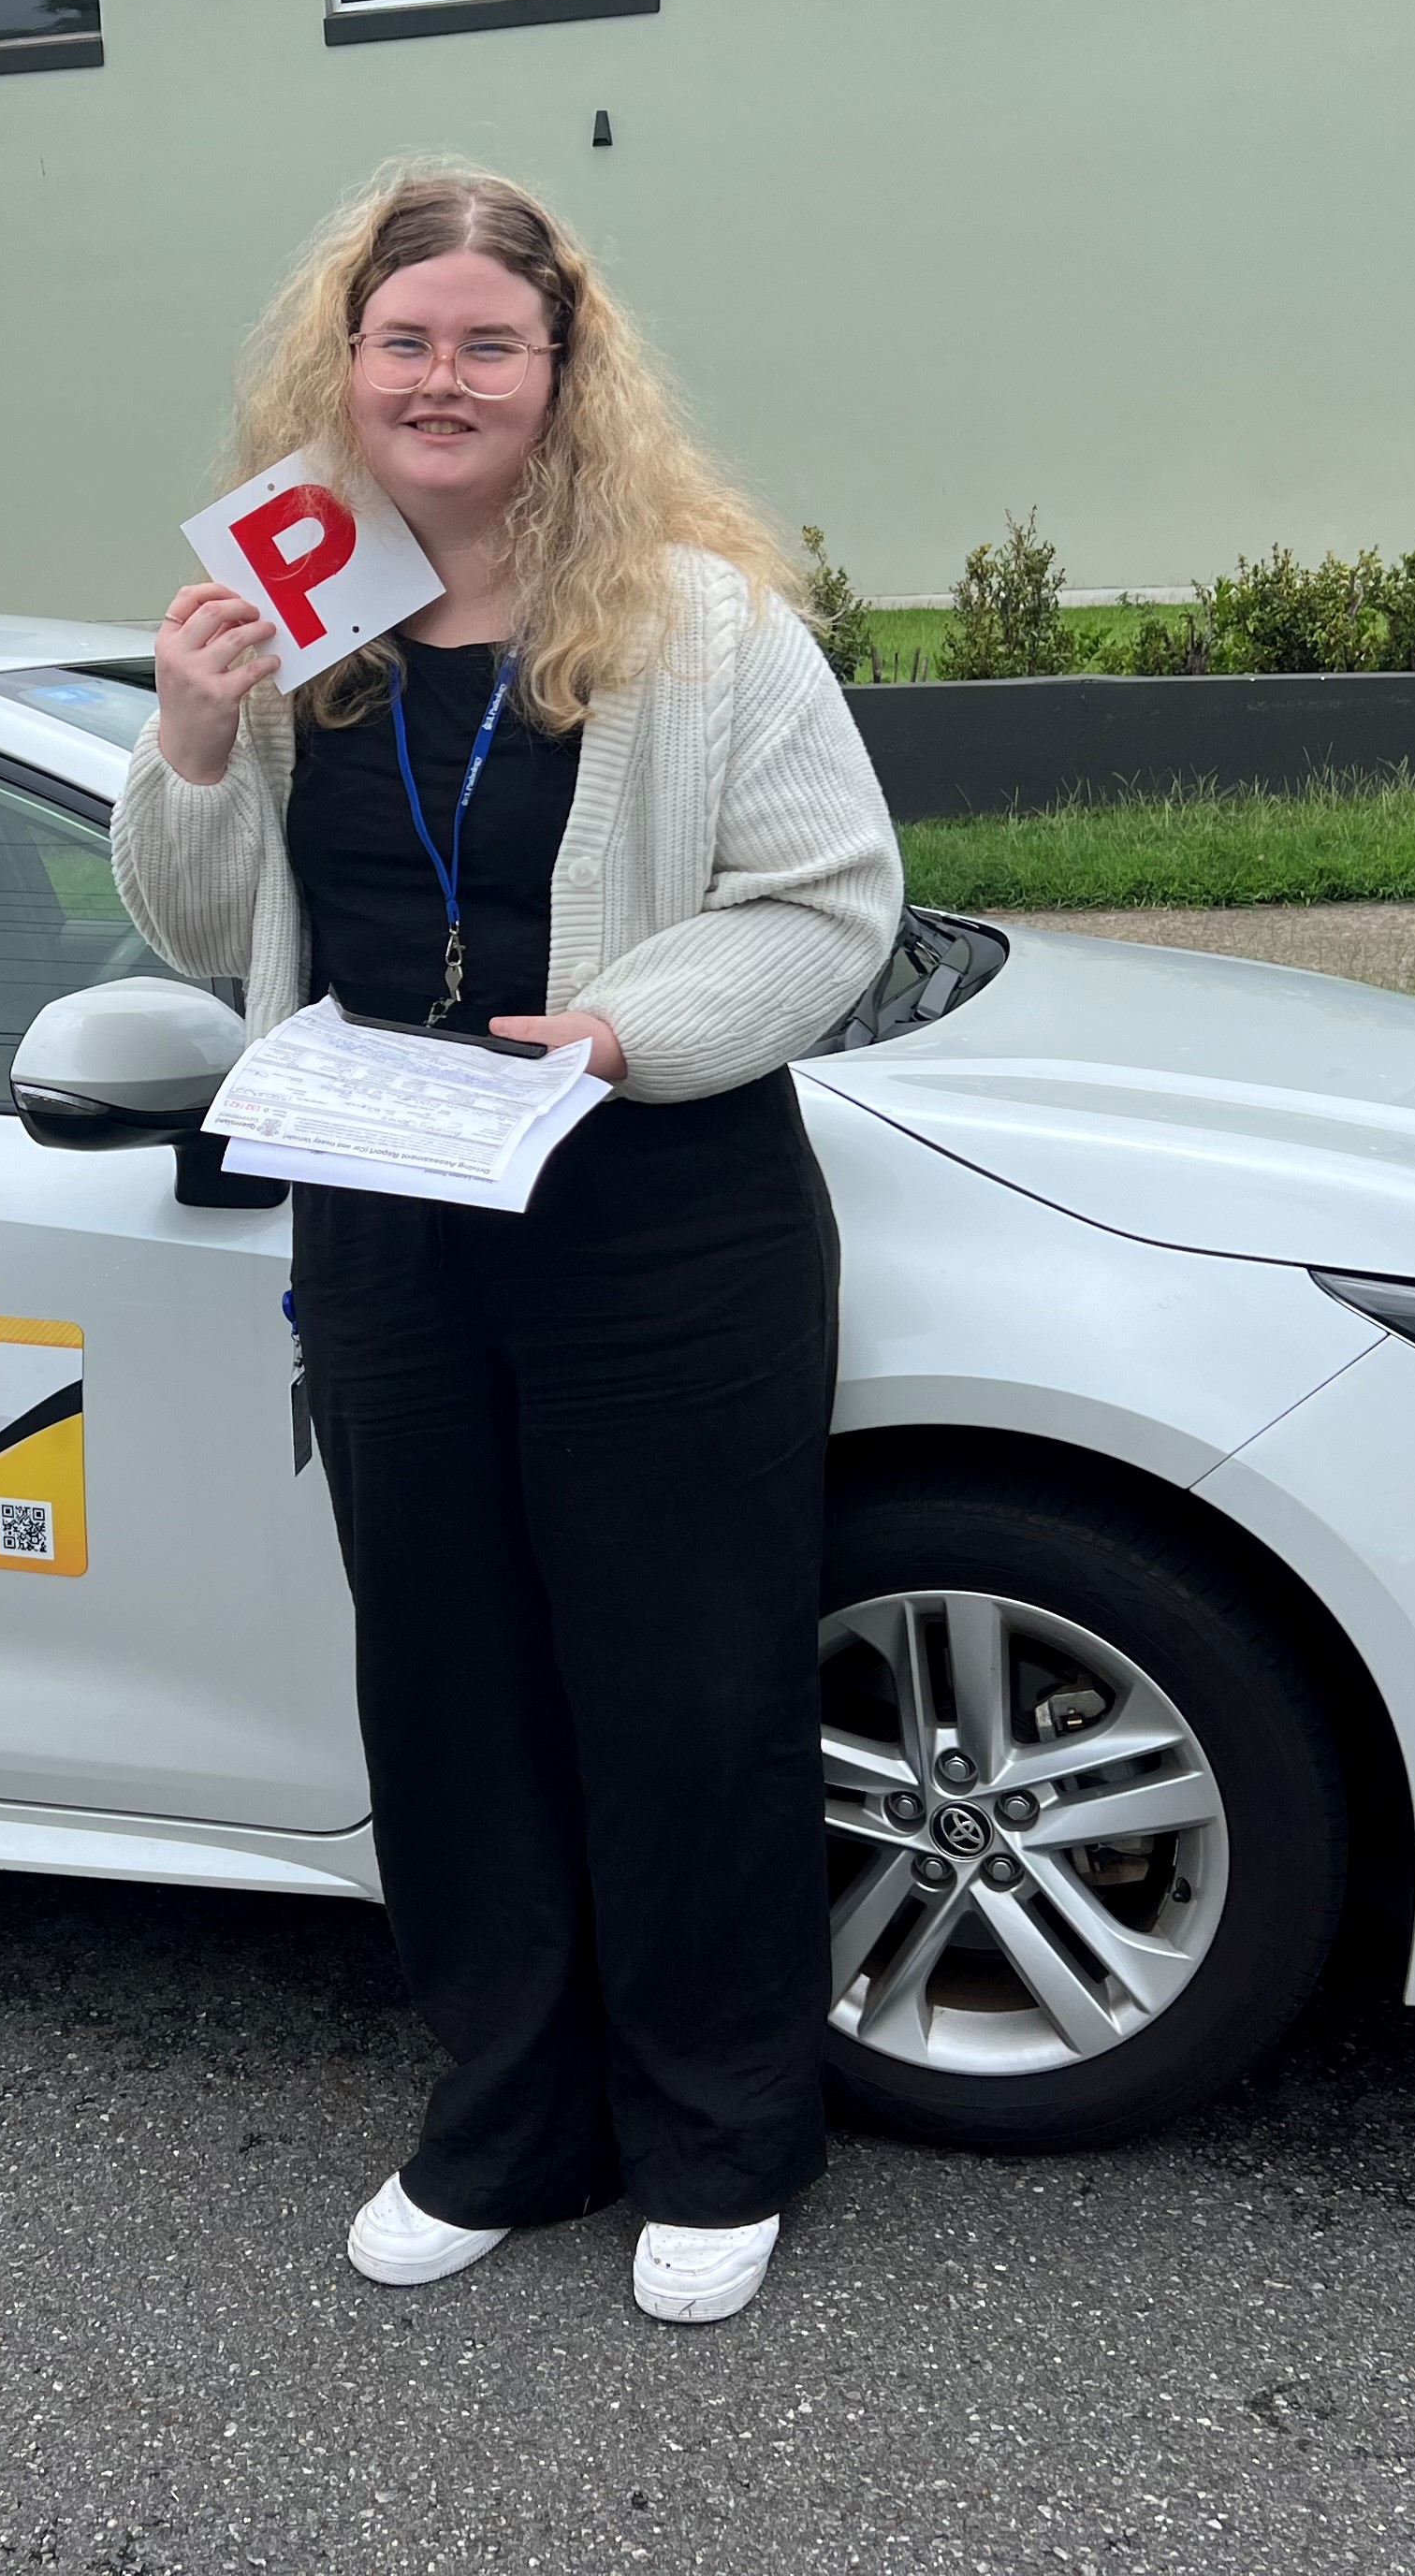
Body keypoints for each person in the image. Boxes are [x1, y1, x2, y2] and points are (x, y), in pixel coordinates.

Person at [112, 171, 903, 2325]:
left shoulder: (695, 620)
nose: (440, 378)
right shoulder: (301, 619)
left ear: (563, 375)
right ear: (346, 362)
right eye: (406, 340)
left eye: (488, 343)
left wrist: (630, 1028)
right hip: (393, 1213)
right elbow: (201, 933)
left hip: (656, 1211)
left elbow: (831, 900)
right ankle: (510, 2118)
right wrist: (189, 740)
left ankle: (719, 2135)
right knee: (447, 1682)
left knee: (689, 1686)